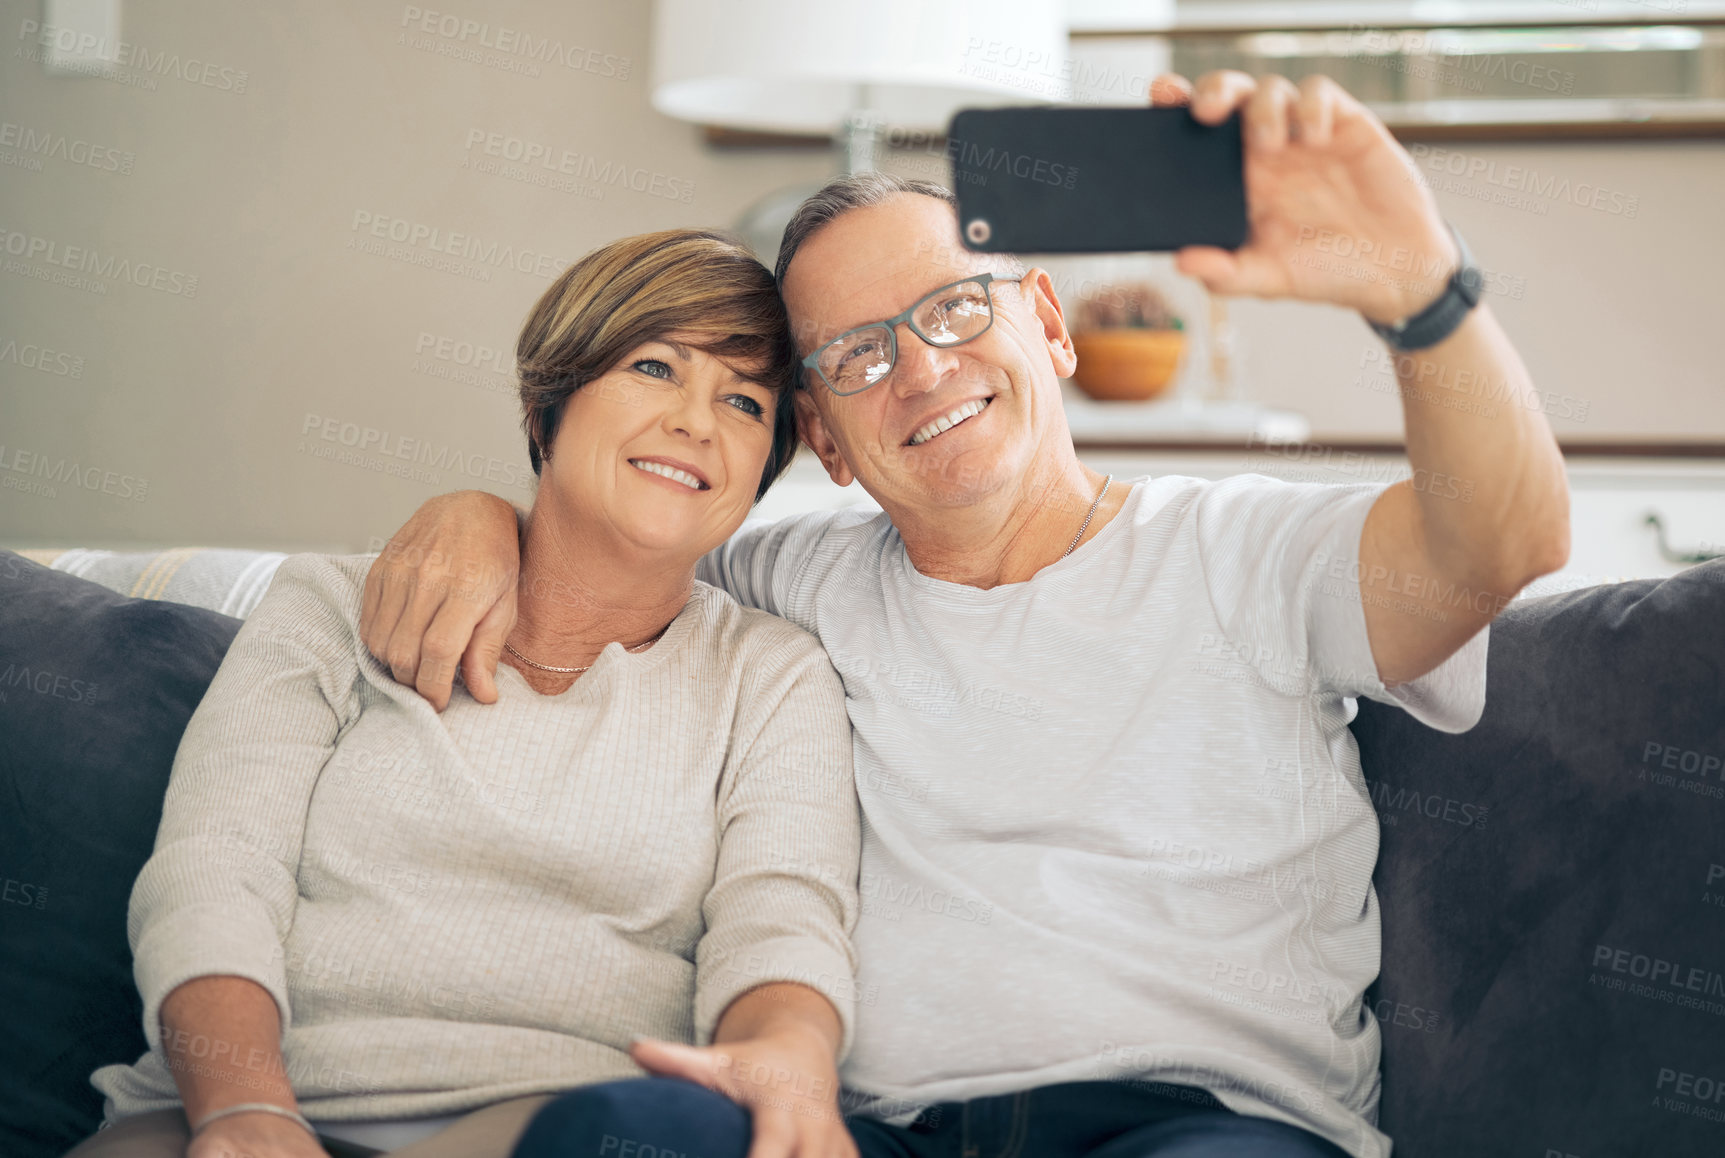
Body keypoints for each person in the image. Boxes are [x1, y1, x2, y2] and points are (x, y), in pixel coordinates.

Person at [361, 72, 1572, 1158]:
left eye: (952, 308)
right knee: (621, 1132)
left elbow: (1508, 539)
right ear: (824, 440)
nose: (923, 370)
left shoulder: (1243, 547)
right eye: (857, 355)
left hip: (1199, 1126)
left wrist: (1421, 288)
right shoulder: (791, 588)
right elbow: (609, 549)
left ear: (1046, 322)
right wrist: (479, 514)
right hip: (876, 1134)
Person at [67, 230, 863, 1158]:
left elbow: (781, 917)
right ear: (546, 405)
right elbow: (216, 863)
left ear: (762, 471)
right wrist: (246, 1110)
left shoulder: (772, 676)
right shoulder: (331, 603)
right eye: (654, 367)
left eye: (743, 401)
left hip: (555, 1123)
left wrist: (784, 1058)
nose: (697, 421)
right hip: (239, 1108)